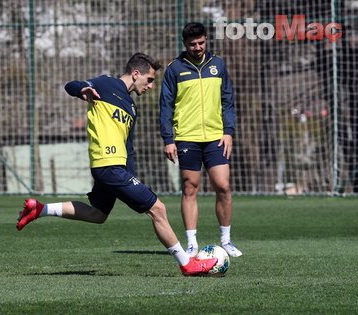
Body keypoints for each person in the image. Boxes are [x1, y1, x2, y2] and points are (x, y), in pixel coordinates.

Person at [16, 52, 217, 276]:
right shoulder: (105, 84)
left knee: (98, 215)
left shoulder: (131, 107)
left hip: (116, 167)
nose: (150, 86)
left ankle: (40, 209)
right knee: (158, 209)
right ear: (136, 73)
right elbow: (71, 85)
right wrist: (82, 90)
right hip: (107, 164)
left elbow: (128, 148)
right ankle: (187, 263)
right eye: (149, 80)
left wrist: (132, 176)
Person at [159, 23, 242, 258]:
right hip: (186, 137)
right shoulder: (174, 69)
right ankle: (192, 242)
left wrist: (228, 131)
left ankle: (226, 241)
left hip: (216, 136)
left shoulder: (218, 64)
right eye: (193, 44)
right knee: (189, 187)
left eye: (201, 42)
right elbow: (165, 106)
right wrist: (168, 139)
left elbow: (228, 100)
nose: (198, 47)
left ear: (206, 40)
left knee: (223, 186)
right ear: (185, 44)